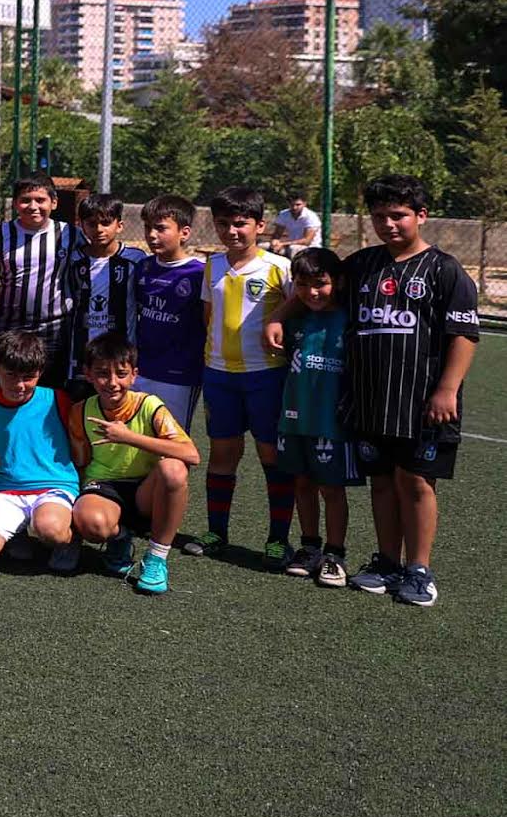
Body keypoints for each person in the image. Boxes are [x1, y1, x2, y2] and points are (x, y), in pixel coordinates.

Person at [324, 174, 478, 608]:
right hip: (372, 398)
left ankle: (419, 569)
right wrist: (282, 315)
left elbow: (464, 335)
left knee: (415, 482)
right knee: (381, 482)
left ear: (421, 215)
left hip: (423, 402)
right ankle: (388, 562)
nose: (388, 224)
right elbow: (316, 285)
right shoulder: (361, 265)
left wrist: (447, 389)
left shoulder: (444, 269)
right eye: (379, 216)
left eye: (398, 215)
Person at [200, 185, 293, 563]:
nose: (232, 231)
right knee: (222, 453)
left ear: (260, 225)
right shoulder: (212, 266)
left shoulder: (279, 267)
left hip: (265, 375)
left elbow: (299, 307)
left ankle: (277, 539)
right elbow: (208, 317)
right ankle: (216, 533)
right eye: (223, 224)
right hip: (219, 375)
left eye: (240, 223)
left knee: (271, 455)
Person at [67, 331, 197, 595]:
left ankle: (156, 558)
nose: (112, 382)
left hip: (146, 491)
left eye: (121, 374)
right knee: (90, 521)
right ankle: (119, 537)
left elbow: (192, 454)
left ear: (134, 375)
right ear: (88, 374)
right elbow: (79, 464)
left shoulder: (149, 405)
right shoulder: (80, 411)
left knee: (174, 469)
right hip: (104, 487)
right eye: (102, 374)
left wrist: (129, 437)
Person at [0, 329, 82, 572]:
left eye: (28, 377)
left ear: (40, 373)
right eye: (11, 375)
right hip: (7, 490)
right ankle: (18, 531)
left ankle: (70, 538)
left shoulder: (57, 399)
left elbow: (77, 439)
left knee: (51, 530)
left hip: (54, 486)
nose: (19, 385)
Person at [271, 247, 356, 587]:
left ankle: (335, 554)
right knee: (302, 483)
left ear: (338, 282)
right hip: (294, 419)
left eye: (320, 284)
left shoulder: (350, 321)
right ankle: (309, 547)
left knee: (331, 489)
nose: (312, 292)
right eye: (303, 285)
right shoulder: (294, 320)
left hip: (332, 424)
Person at [0, 177, 80, 386]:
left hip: (55, 330)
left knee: (53, 391)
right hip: (11, 328)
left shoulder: (71, 235)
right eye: (25, 200)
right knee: (11, 389)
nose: (33, 206)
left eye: (40, 200)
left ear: (54, 202)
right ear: (15, 203)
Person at [131, 194, 208, 440]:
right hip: (140, 369)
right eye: (147, 227)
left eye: (161, 228)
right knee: (135, 438)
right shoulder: (143, 267)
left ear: (184, 233)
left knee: (171, 441)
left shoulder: (200, 274)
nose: (152, 235)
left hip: (179, 374)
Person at [67, 191, 144, 379]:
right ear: (81, 226)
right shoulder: (73, 259)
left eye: (106, 223)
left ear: (119, 225)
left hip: (122, 352)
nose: (99, 229)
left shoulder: (136, 259)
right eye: (92, 224)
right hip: (81, 352)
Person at [270, 191, 321, 257]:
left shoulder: (311, 216)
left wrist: (283, 244)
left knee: (294, 249)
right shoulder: (284, 214)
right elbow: (277, 235)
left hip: (311, 249)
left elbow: (307, 241)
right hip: (290, 246)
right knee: (264, 246)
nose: (294, 207)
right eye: (291, 205)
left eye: (298, 205)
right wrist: (274, 242)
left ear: (304, 204)